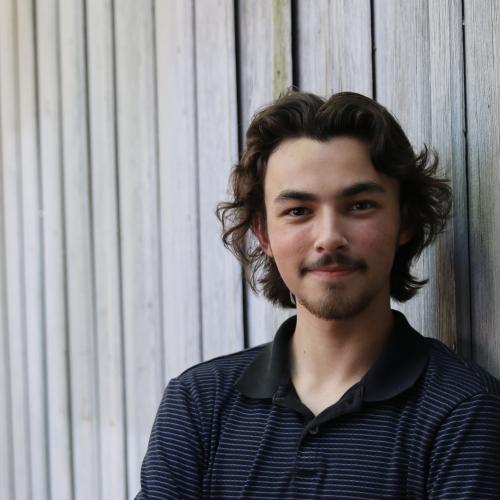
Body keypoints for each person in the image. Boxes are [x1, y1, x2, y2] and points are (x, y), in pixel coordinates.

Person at [136, 91, 500, 499]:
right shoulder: (198, 405)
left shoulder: (462, 410)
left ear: (405, 221)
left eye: (360, 205)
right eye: (298, 210)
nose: (329, 238)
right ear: (263, 232)